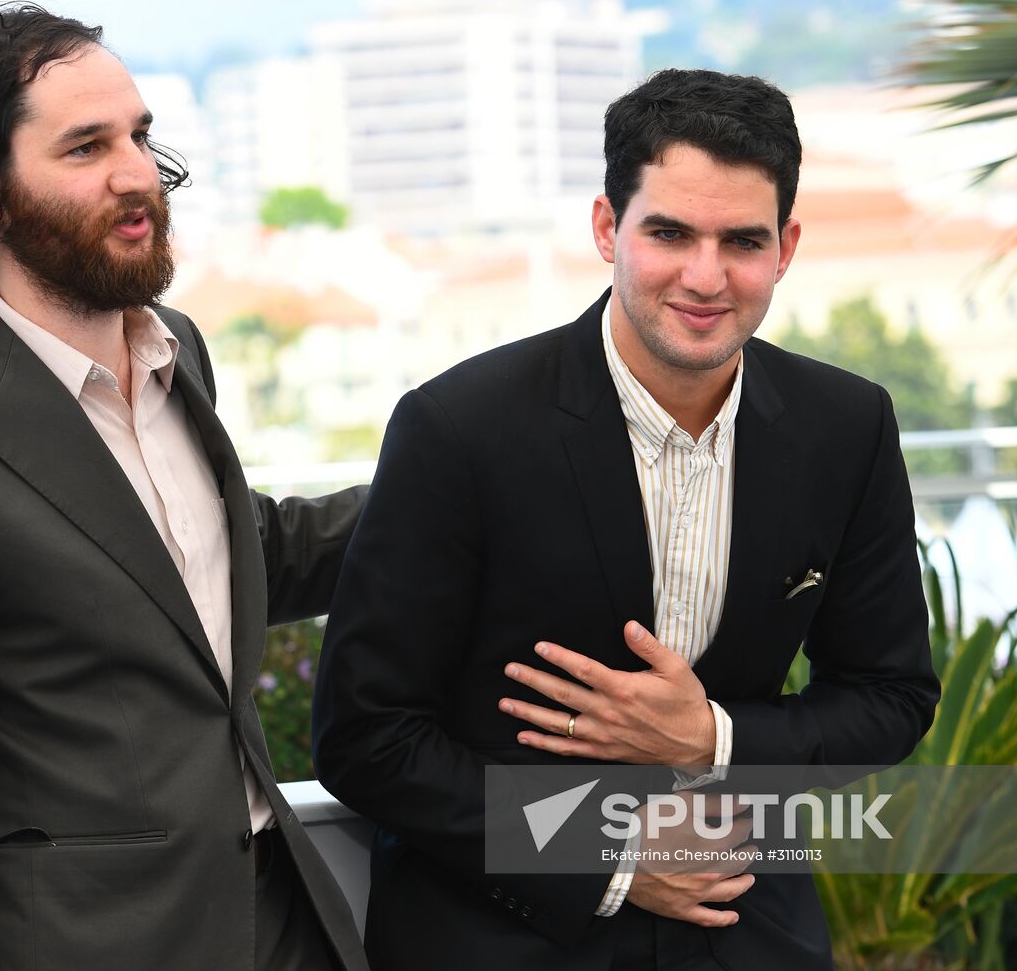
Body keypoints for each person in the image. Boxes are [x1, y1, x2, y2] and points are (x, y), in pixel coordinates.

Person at [313, 68, 940, 970]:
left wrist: (717, 738)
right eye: (670, 233)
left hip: (747, 927)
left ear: (788, 246)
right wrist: (605, 858)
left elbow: (892, 697)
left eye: (742, 241)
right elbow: (366, 738)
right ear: (608, 227)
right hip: (503, 938)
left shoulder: (847, 425)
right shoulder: (459, 427)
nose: (706, 276)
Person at [0, 3, 366, 971]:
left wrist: (462, 483)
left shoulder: (177, 349)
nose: (136, 173)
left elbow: (220, 569)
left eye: (141, 136)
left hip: (278, 913)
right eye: (84, 147)